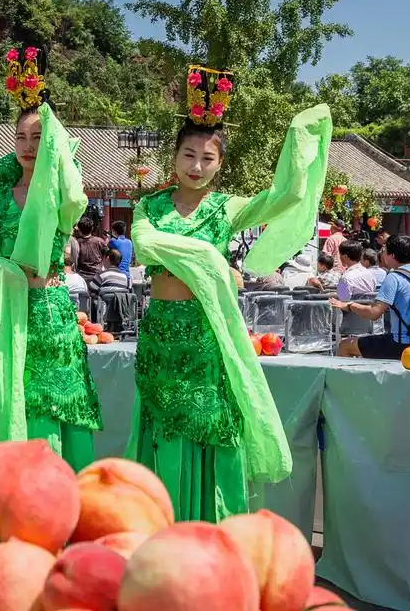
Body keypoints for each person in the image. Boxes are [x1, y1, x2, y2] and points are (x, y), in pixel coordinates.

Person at [128, 64, 331, 522]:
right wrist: (213, 261)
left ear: (220, 163)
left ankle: (209, 524)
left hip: (207, 334)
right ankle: (162, 523)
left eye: (207, 158)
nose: (196, 167)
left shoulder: (227, 208)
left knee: (209, 426)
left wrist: (299, 142)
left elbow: (283, 197)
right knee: (162, 426)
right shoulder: (149, 206)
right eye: (188, 155)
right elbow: (145, 244)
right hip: (161, 333)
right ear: (174, 157)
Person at [0, 46, 102, 469]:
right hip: (9, 311)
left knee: (57, 404)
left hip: (51, 310)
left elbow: (76, 198)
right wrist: (2, 270)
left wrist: (52, 133)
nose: (27, 146)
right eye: (20, 138)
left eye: (37, 138)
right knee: (13, 401)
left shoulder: (61, 195)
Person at [333, 235, 410, 359]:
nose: (382, 255)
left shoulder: (345, 278)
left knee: (344, 346)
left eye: (384, 251)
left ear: (343, 257)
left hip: (401, 342)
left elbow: (344, 298)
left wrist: (349, 305)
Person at [73, 215, 107, 287]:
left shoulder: (76, 242)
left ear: (79, 229)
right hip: (97, 276)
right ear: (92, 228)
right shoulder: (99, 241)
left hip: (82, 277)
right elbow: (107, 254)